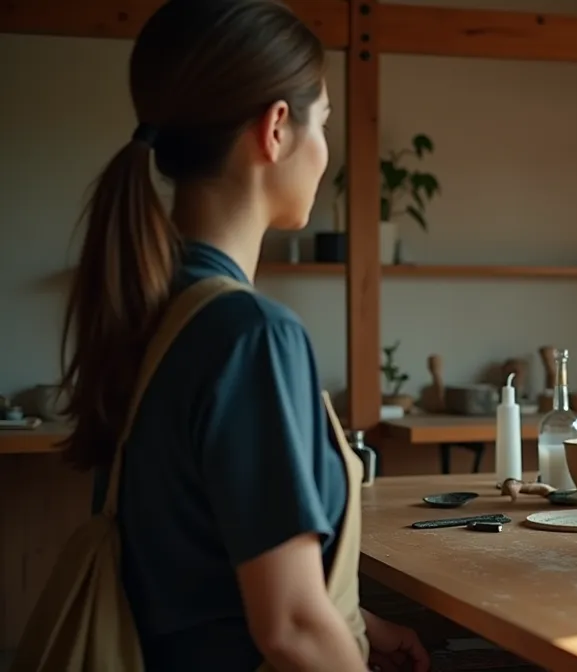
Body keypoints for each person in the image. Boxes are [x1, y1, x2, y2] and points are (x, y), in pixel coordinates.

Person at [56, 1, 429, 670]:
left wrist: (356, 627)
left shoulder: (153, 303)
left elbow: (207, 562)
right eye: (324, 124)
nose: (325, 152)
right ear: (276, 129)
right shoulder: (249, 335)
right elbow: (287, 627)